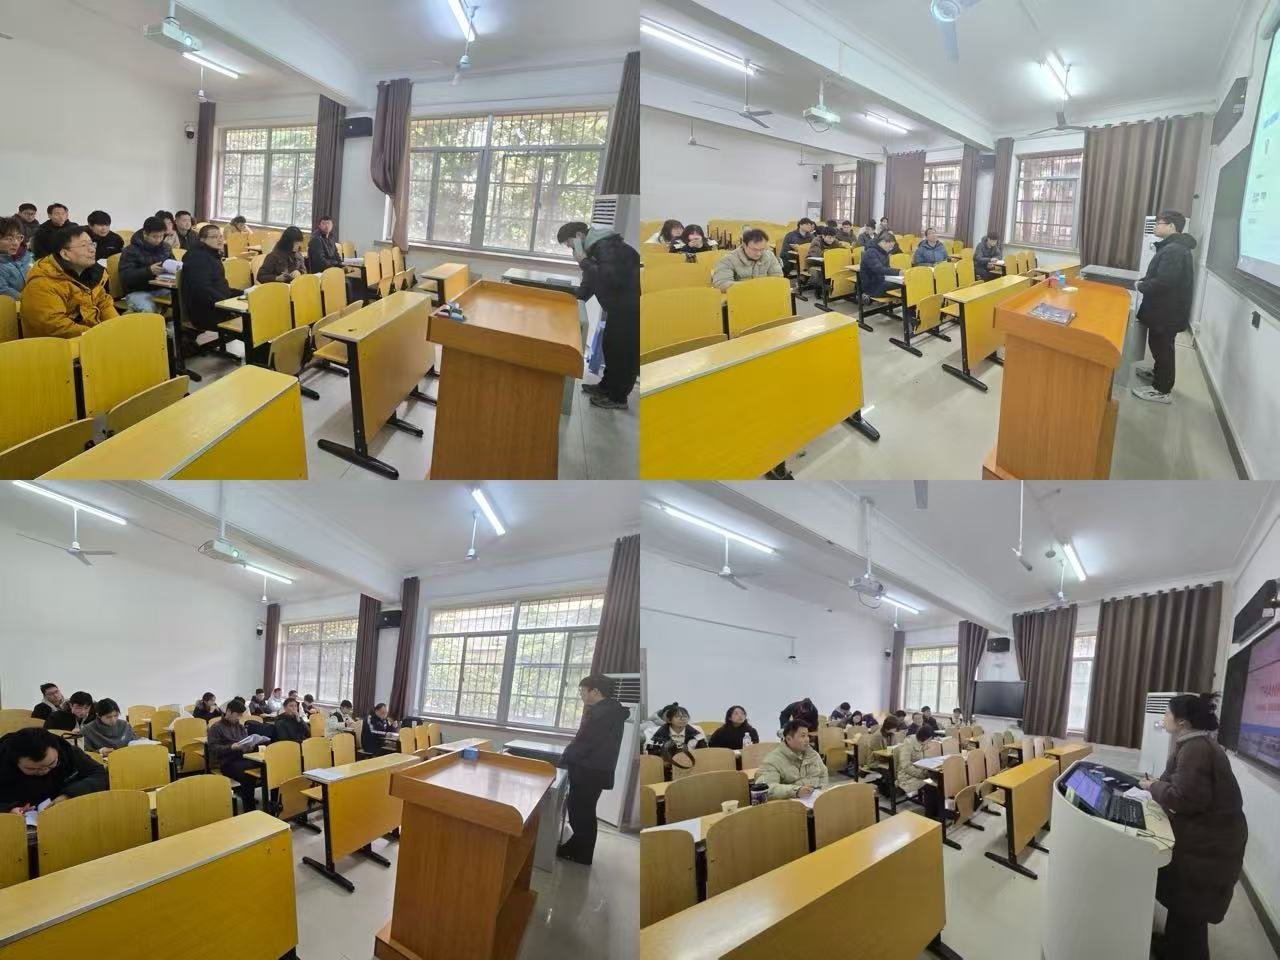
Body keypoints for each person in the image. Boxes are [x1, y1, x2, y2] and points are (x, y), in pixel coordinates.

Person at [1137, 693, 1247, 960]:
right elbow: (1174, 781)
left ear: (1182, 721)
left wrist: (1153, 787)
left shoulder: (1196, 749)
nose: (1164, 717)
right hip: (1210, 838)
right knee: (1185, 903)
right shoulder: (1193, 743)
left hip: (1211, 844)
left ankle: (1185, 953)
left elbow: (1183, 798)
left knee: (1190, 905)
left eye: (1167, 713)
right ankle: (1172, 946)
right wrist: (1156, 784)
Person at [557, 220, 640, 410]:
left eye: (570, 244)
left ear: (579, 236)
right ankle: (606, 388)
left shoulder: (608, 247)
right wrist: (568, 300)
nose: (571, 249)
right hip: (618, 308)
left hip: (630, 308)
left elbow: (608, 279)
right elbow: (589, 285)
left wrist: (584, 262)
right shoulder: (595, 249)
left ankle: (618, 398)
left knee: (623, 353)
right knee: (610, 348)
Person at [556, 673, 628, 865]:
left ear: (595, 691)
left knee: (580, 811)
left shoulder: (600, 713)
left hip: (588, 771)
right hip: (597, 770)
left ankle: (580, 853)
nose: (581, 694)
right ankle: (580, 850)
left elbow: (584, 743)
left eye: (583, 690)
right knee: (585, 811)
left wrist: (564, 758)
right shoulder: (612, 710)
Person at [1132, 210, 1197, 405]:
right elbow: (1162, 275)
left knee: (1163, 348)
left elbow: (1164, 282)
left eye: (1159, 223)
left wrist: (1141, 286)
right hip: (1165, 309)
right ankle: (1158, 374)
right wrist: (1145, 281)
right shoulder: (1173, 247)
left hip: (1167, 311)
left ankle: (1162, 390)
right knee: (1158, 344)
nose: (1155, 226)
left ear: (1171, 226)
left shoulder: (1174, 250)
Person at [21, 225, 117, 337]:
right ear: (65, 254)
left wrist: (116, 327)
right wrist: (98, 335)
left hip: (91, 336)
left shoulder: (92, 273)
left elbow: (104, 303)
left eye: (92, 244)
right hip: (59, 344)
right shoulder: (42, 283)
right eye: (83, 245)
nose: (92, 249)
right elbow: (53, 325)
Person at [0, 727, 108, 811]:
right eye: (32, 769)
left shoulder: (67, 751)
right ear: (15, 762)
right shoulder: (4, 760)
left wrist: (70, 794)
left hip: (65, 811)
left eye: (51, 764)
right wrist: (8, 809)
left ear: (57, 750)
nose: (44, 771)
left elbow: (99, 773)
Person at [205, 698, 265, 811]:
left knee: (264, 767)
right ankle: (250, 809)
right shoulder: (216, 728)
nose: (239, 718)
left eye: (241, 715)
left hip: (242, 758)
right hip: (227, 762)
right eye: (237, 715)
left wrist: (250, 746)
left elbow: (245, 742)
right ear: (228, 712)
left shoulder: (240, 726)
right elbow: (213, 749)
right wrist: (231, 747)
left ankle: (268, 803)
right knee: (248, 775)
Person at [756, 719, 828, 800]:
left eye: (807, 735)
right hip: (789, 804)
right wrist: (795, 791)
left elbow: (823, 774)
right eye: (803, 736)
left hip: (814, 799)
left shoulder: (812, 754)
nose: (807, 739)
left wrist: (822, 791)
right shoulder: (773, 760)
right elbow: (766, 788)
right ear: (789, 739)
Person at [117, 216, 173, 313]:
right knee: (148, 311)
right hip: (137, 291)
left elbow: (172, 264)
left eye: (161, 236)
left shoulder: (165, 248)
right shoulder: (130, 251)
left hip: (162, 288)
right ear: (145, 234)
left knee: (182, 300)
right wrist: (149, 271)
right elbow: (126, 277)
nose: (158, 240)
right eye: (154, 236)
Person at [711, 228, 783, 292]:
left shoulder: (769, 256)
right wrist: (752, 286)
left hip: (764, 295)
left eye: (762, 249)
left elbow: (778, 278)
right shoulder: (728, 260)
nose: (759, 253)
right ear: (744, 245)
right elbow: (721, 284)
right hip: (740, 297)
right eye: (755, 249)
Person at [860, 232, 902, 303]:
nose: (891, 249)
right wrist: (898, 272)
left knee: (905, 285)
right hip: (872, 287)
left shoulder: (884, 252)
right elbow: (879, 269)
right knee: (904, 288)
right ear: (883, 242)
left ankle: (907, 305)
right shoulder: (870, 252)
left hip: (881, 281)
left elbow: (887, 269)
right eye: (890, 246)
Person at [893, 726, 933, 800]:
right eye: (929, 739)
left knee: (936, 780)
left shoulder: (922, 743)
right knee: (932, 784)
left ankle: (932, 805)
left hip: (919, 771)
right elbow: (906, 766)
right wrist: (921, 774)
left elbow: (924, 759)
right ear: (925, 738)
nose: (930, 741)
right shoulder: (908, 744)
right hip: (907, 776)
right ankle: (930, 805)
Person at [0, 216, 33, 299]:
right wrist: (30, 300)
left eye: (19, 237)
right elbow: (3, 290)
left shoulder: (27, 255)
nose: (16, 243)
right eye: (9, 239)